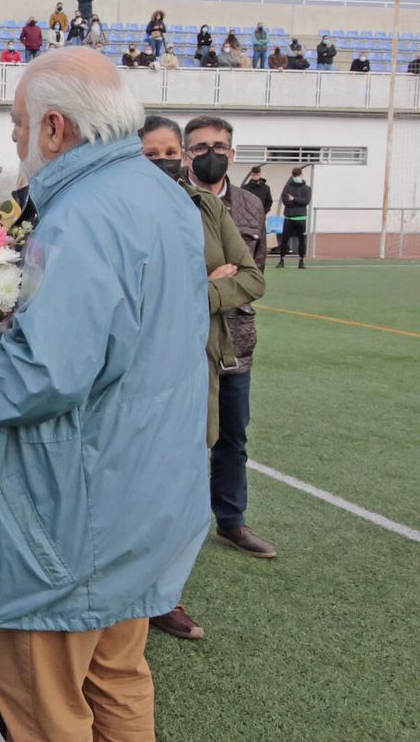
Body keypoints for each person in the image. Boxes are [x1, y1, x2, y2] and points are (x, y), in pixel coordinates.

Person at [0, 48, 209, 742]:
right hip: (140, 497)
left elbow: (46, 373)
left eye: (16, 124)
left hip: (66, 516)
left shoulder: (84, 214)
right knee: (118, 680)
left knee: (43, 709)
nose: (11, 139)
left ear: (57, 129)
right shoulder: (160, 194)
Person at [137, 115, 266, 643]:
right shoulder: (122, 212)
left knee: (189, 481)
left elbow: (253, 277)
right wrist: (201, 288)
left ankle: (164, 595)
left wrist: (197, 297)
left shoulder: (208, 208)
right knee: (145, 481)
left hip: (204, 361)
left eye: (172, 153)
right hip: (142, 367)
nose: (166, 162)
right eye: (152, 154)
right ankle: (137, 593)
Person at [181, 118, 276, 561]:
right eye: (200, 147)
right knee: (180, 437)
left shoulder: (252, 206)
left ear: (233, 153)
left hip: (236, 339)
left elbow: (252, 275)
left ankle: (232, 521)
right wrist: (208, 287)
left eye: (219, 146)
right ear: (186, 155)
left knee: (233, 436)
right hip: (185, 342)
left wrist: (204, 291)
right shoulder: (176, 202)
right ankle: (178, 525)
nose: (210, 154)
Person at [279, 167, 311, 267]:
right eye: (295, 175)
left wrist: (294, 199)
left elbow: (305, 201)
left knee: (302, 240)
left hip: (301, 218)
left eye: (298, 175)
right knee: (284, 240)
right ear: (293, 176)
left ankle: (301, 260)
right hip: (289, 218)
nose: (297, 177)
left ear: (301, 175)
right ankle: (281, 260)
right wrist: (296, 202)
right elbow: (285, 201)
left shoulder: (307, 188)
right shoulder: (287, 187)